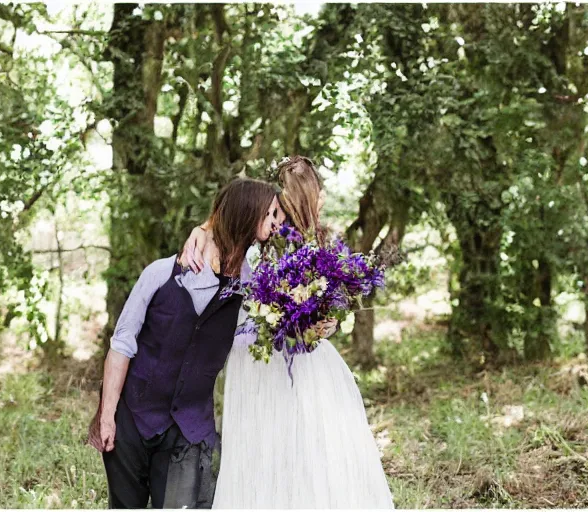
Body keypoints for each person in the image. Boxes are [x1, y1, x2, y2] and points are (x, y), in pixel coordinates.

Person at [181, 156, 394, 508]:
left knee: (313, 442)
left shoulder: (317, 244)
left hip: (302, 357)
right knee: (271, 442)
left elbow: (325, 302)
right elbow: (225, 227)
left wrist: (328, 322)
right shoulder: (260, 238)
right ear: (306, 193)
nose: (322, 198)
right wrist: (202, 228)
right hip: (259, 355)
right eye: (319, 190)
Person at [87, 178, 284, 509]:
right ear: (246, 213)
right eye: (272, 214)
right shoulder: (160, 273)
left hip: (190, 431)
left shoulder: (251, 290)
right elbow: (122, 344)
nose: (278, 222)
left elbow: (265, 332)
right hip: (134, 419)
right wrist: (108, 416)